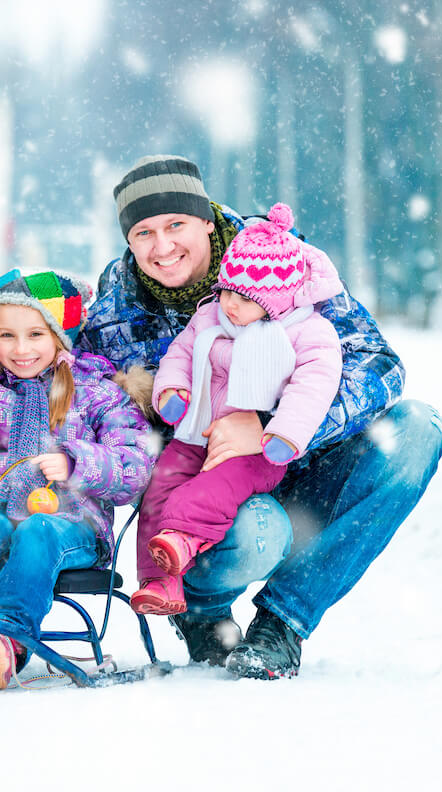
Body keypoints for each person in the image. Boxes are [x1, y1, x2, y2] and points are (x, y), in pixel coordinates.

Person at [0, 155, 442, 680]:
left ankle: (283, 623)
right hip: (206, 496)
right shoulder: (119, 306)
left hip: (300, 460)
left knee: (415, 430)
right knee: (260, 532)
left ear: (207, 220)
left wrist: (274, 428)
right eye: (143, 232)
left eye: (176, 225)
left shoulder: (281, 263)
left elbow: (377, 363)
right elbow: (64, 376)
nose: (162, 247)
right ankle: (203, 610)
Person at [0, 269, 153, 689]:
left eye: (36, 335)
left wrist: (77, 462)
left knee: (38, 530)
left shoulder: (97, 391)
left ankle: (6, 632)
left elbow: (134, 465)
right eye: (7, 336)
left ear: (61, 334)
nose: (21, 350)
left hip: (72, 524)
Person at [131, 202, 343, 617]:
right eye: (226, 290)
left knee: (211, 490)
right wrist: (172, 390)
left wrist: (283, 433)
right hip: (195, 434)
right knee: (160, 487)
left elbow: (313, 388)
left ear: (276, 300)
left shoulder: (306, 333)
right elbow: (180, 353)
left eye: (243, 298)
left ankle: (182, 539)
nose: (229, 305)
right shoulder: (211, 317)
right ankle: (158, 580)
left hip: (256, 450)